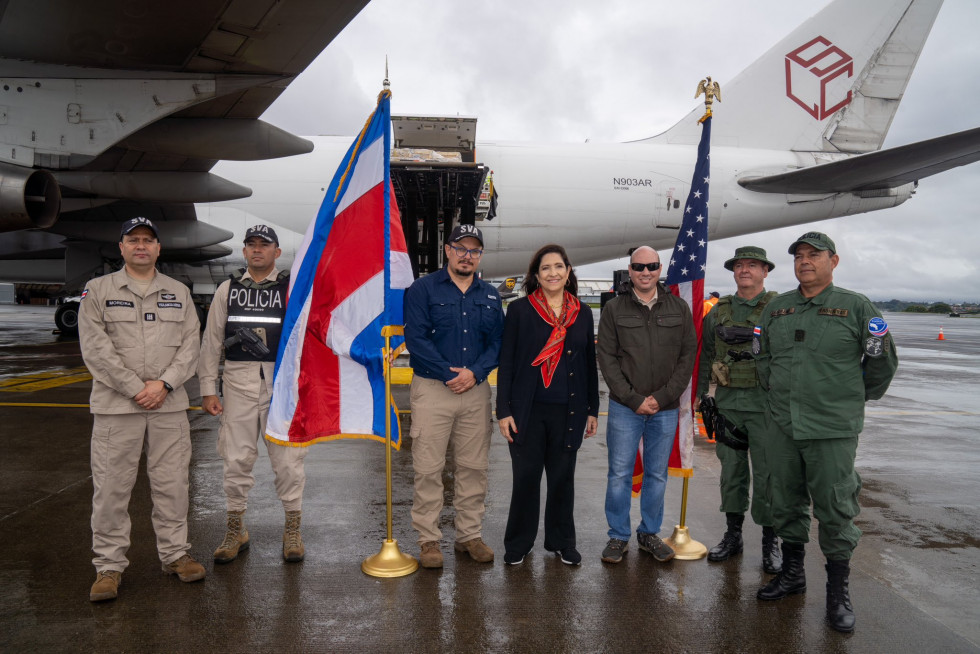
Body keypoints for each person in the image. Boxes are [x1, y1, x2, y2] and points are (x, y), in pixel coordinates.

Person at [754, 232, 898, 634]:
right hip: (782, 425)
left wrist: (847, 400)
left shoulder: (856, 307)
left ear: (833, 261)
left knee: (835, 508)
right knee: (784, 499)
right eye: (799, 256)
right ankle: (793, 574)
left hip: (831, 428)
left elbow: (881, 363)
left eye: (813, 255)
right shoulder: (778, 309)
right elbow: (762, 360)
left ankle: (838, 592)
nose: (804, 261)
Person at [78, 217, 204, 602]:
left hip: (168, 407)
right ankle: (109, 567)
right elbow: (96, 349)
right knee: (112, 488)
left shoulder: (178, 292)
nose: (141, 246)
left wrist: (164, 384)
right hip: (117, 408)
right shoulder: (97, 290)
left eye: (148, 240)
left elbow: (190, 346)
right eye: (133, 240)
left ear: (158, 248)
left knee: (172, 485)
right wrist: (136, 388)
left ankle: (175, 555)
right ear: (121, 247)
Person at [198, 225, 308, 564]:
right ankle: (236, 529)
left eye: (265, 245)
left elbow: (305, 335)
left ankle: (292, 529)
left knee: (288, 462)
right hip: (238, 382)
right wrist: (207, 388)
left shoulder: (290, 289)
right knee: (236, 460)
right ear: (244, 252)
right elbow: (212, 341)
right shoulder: (227, 290)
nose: (257, 250)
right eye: (251, 245)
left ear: (277, 252)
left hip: (281, 383)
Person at [403, 224, 504, 568]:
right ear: (448, 250)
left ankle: (469, 535)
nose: (467, 255)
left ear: (480, 256)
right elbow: (416, 340)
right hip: (433, 389)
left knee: (474, 467)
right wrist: (451, 374)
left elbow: (498, 344)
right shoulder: (422, 289)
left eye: (474, 250)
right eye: (461, 248)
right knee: (429, 468)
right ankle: (429, 539)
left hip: (475, 392)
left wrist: (474, 373)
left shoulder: (490, 295)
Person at [496, 244, 599, 566]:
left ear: (568, 272)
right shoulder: (520, 311)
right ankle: (519, 542)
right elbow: (507, 363)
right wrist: (503, 411)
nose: (552, 273)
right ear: (536, 276)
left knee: (562, 480)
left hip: (569, 409)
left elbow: (587, 363)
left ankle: (561, 541)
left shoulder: (581, 312)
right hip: (527, 411)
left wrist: (593, 409)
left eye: (558, 267)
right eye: (545, 268)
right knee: (525, 480)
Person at [597, 246, 697, 564]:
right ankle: (617, 536)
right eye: (639, 266)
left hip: (665, 409)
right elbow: (607, 359)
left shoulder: (679, 308)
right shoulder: (614, 309)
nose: (645, 271)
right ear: (630, 270)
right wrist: (633, 399)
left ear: (659, 268)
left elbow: (687, 357)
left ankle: (649, 534)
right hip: (626, 408)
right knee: (619, 474)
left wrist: (663, 397)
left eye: (651, 265)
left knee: (656, 475)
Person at [698, 246, 781, 572]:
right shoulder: (718, 312)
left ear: (765, 271)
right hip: (729, 405)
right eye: (739, 265)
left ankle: (769, 543)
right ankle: (733, 536)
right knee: (732, 475)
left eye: (752, 265)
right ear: (733, 271)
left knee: (767, 477)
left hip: (766, 407)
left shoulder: (778, 309)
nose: (745, 270)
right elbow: (704, 353)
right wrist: (702, 395)